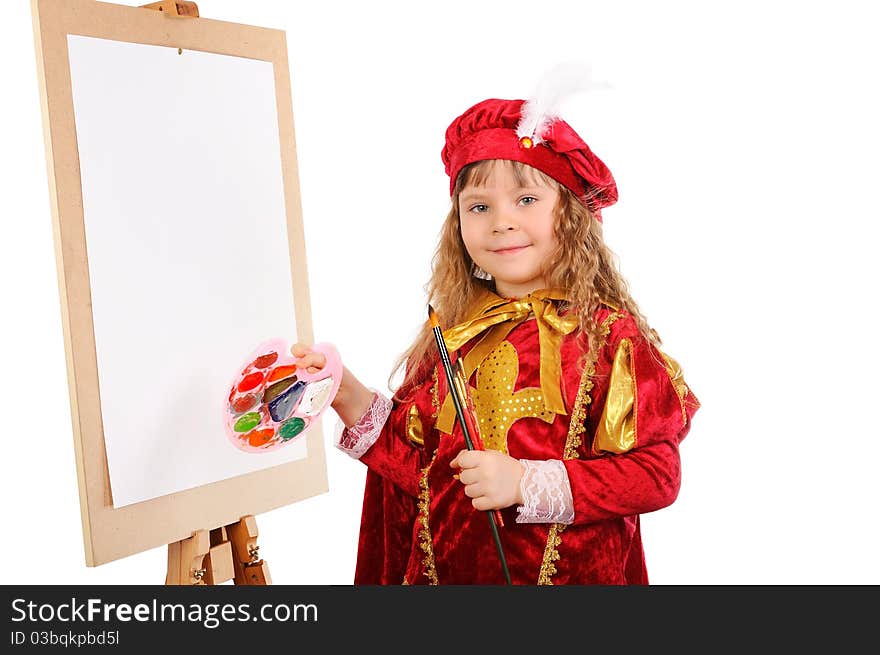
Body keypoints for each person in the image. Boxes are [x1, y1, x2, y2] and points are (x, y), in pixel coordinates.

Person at [292, 92, 700, 584]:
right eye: (479, 206)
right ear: (458, 224)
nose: (502, 221)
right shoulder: (453, 335)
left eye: (526, 199)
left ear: (570, 215)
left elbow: (655, 476)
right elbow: (420, 469)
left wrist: (525, 482)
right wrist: (346, 394)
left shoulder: (610, 337)